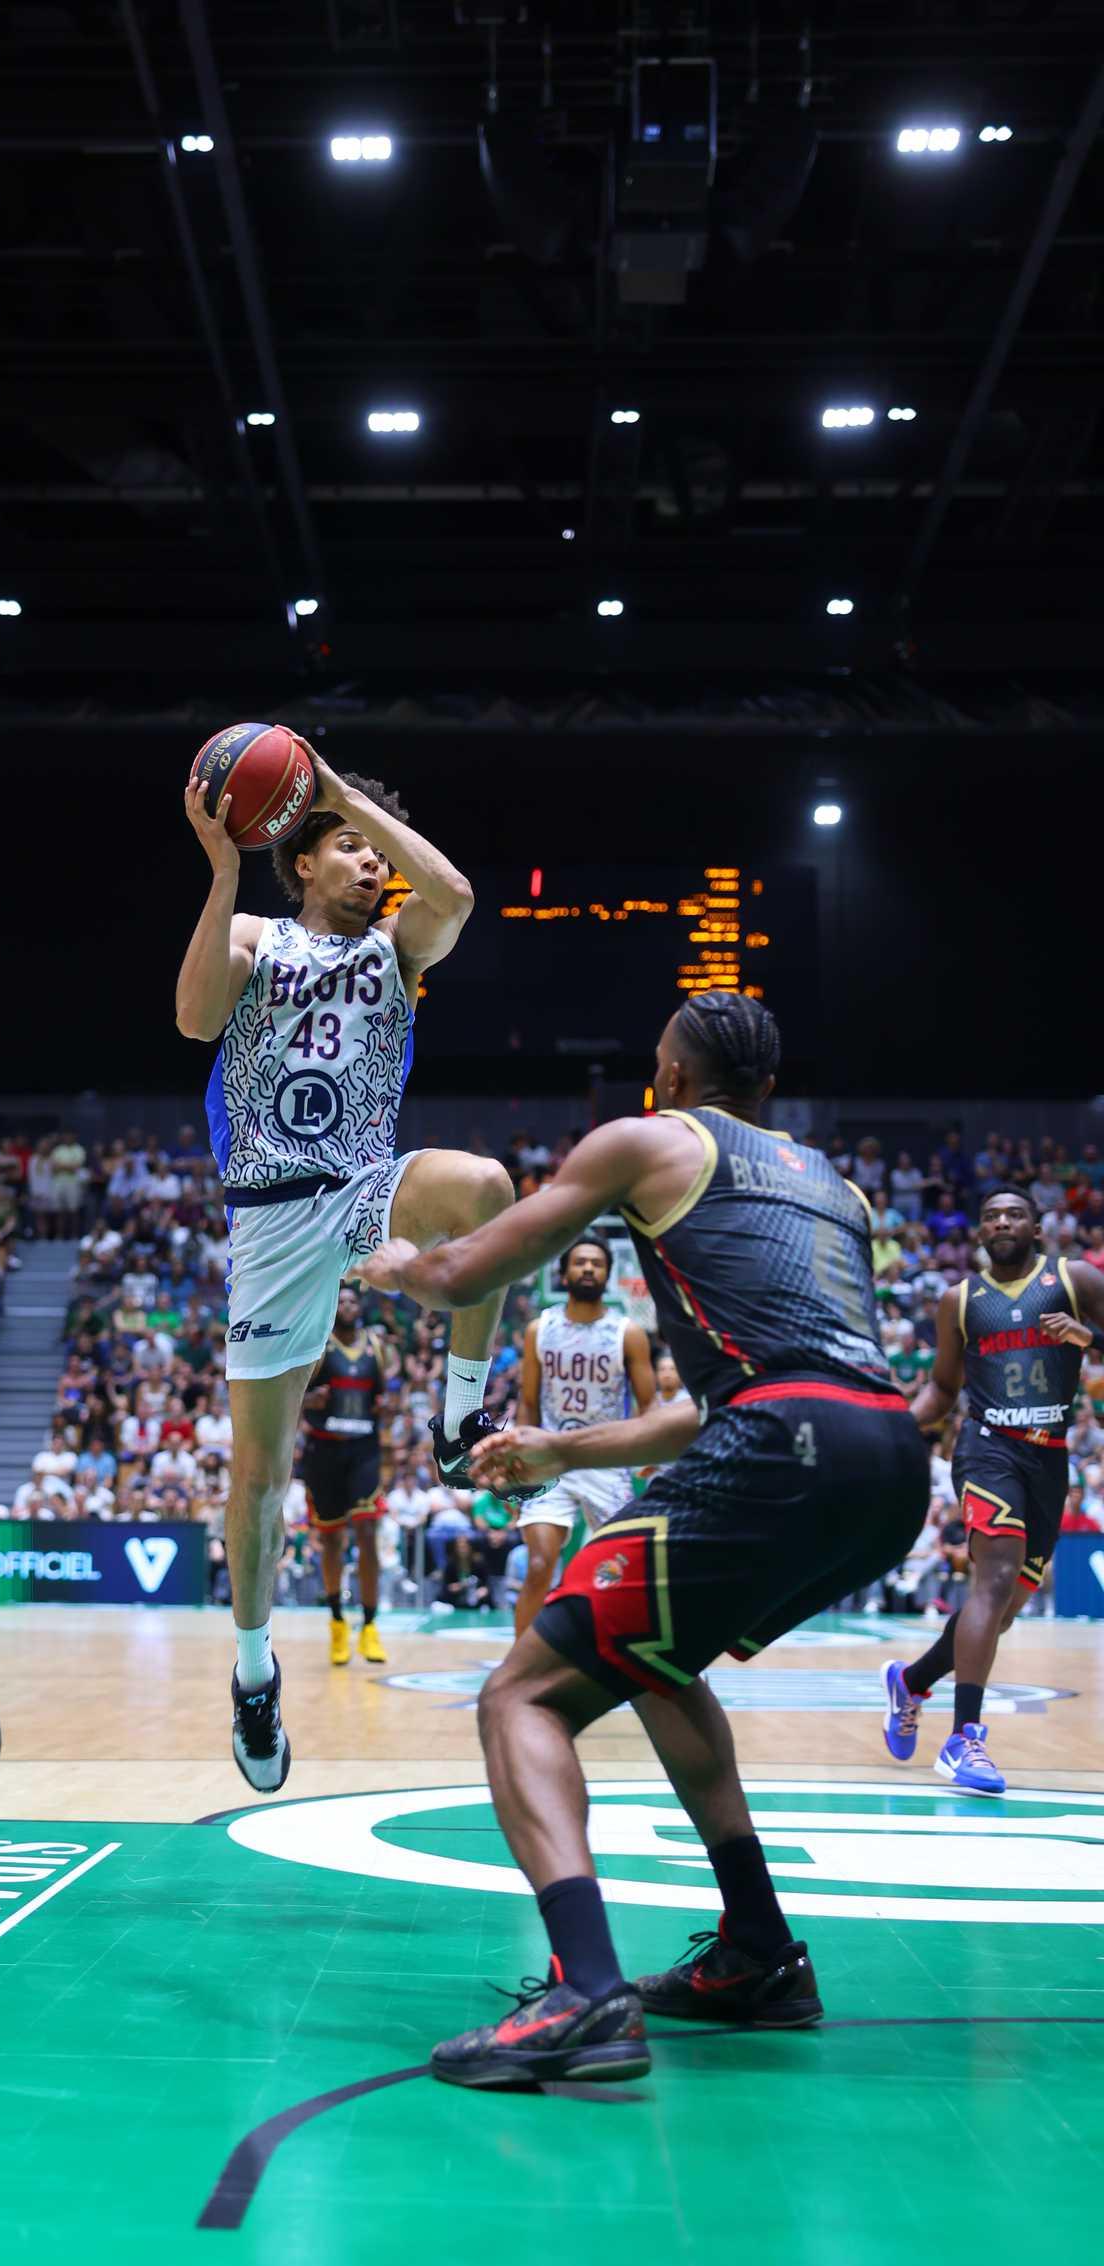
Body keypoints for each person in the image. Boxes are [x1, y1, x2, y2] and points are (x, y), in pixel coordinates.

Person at [360, 991, 929, 2089]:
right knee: (661, 1665)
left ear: (668, 1077)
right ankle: (760, 1951)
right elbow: (749, 1390)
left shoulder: (646, 1141)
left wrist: (396, 1264)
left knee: (521, 1695)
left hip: (783, 1441)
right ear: (768, 1088)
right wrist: (565, 1455)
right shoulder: (835, 1186)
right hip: (887, 1459)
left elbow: (464, 1271)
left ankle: (586, 1993)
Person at [176, 738, 515, 1793]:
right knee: (261, 1478)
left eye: (379, 853)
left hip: (361, 1187)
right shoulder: (252, 934)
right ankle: (252, 1669)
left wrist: (332, 787)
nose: (376, 868)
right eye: (353, 852)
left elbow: (452, 895)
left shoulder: (396, 953)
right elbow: (193, 1019)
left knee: (487, 1188)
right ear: (306, 861)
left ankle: (459, 1416)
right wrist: (228, 863)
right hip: (272, 1220)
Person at [880, 1190, 1104, 1794]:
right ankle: (964, 1741)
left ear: (1038, 1226)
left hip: (1049, 1458)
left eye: (1014, 1214)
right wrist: (893, 1430)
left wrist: (1089, 1339)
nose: (1001, 1222)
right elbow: (942, 1390)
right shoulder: (959, 1300)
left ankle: (911, 1681)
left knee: (1002, 1613)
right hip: (987, 1449)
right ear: (979, 1231)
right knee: (994, 1578)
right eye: (991, 1216)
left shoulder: (1074, 1278)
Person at [510, 1234, 656, 1637]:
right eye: (580, 1262)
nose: (589, 1268)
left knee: (622, 1570)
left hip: (606, 1461)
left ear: (608, 1274)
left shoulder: (628, 1332)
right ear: (564, 1273)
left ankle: (627, 1656)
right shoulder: (540, 1329)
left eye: (597, 1263)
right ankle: (517, 1671)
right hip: (551, 1461)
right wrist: (522, 1463)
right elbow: (529, 1402)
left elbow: (647, 1403)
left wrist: (648, 1451)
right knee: (539, 1566)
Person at [301, 1286, 397, 1665]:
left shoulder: (377, 1347)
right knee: (332, 1541)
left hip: (363, 1451)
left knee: (368, 1533)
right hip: (323, 1452)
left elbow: (386, 1399)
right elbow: (295, 1397)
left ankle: (370, 1625)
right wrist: (310, 1401)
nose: (347, 1305)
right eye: (339, 1299)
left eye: (353, 1300)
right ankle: (338, 1622)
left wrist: (388, 1407)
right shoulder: (317, 1344)